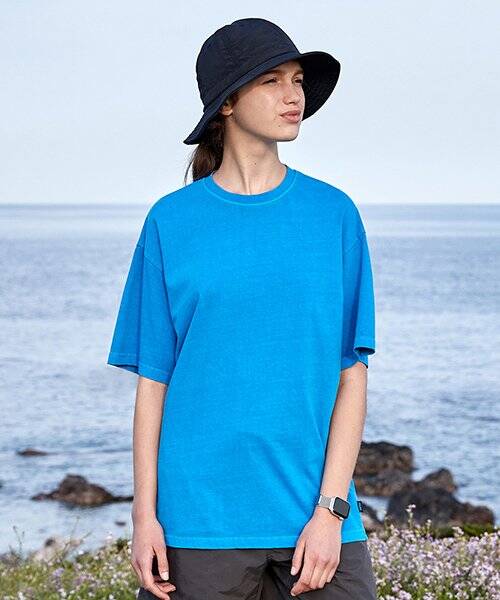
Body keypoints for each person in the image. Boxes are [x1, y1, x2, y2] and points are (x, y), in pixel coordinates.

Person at [107, 17, 378, 600]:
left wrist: (331, 511)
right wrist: (144, 516)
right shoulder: (171, 222)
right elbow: (153, 383)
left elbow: (351, 375)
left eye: (298, 80)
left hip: (316, 521)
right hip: (198, 523)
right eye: (271, 81)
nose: (293, 95)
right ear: (227, 103)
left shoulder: (334, 215)